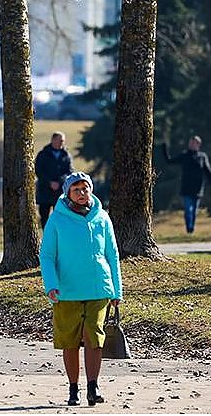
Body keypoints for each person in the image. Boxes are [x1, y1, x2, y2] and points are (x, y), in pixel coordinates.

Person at [39, 172, 122, 407]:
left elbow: (112, 255)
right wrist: (51, 285)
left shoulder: (102, 218)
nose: (82, 194)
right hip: (66, 291)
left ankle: (93, 387)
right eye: (77, 190)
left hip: (98, 289)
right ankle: (73, 387)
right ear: (68, 193)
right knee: (70, 342)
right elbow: (47, 256)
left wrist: (116, 291)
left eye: (85, 189)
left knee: (94, 338)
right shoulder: (57, 220)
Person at [161, 136, 211, 234]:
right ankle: (189, 229)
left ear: (198, 145)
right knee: (188, 210)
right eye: (190, 143)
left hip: (197, 189)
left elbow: (208, 172)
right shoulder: (184, 155)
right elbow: (169, 161)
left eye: (194, 143)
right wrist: (164, 149)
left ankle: (191, 228)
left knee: (194, 211)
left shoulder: (202, 157)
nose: (192, 145)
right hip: (186, 188)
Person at [34, 131, 73, 228]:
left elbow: (69, 171)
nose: (62, 143)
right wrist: (49, 182)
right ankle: (46, 237)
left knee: (60, 216)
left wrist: (59, 182)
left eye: (63, 141)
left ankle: (58, 237)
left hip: (60, 191)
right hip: (45, 190)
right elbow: (38, 171)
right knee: (44, 216)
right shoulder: (43, 154)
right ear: (53, 140)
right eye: (60, 140)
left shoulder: (66, 155)